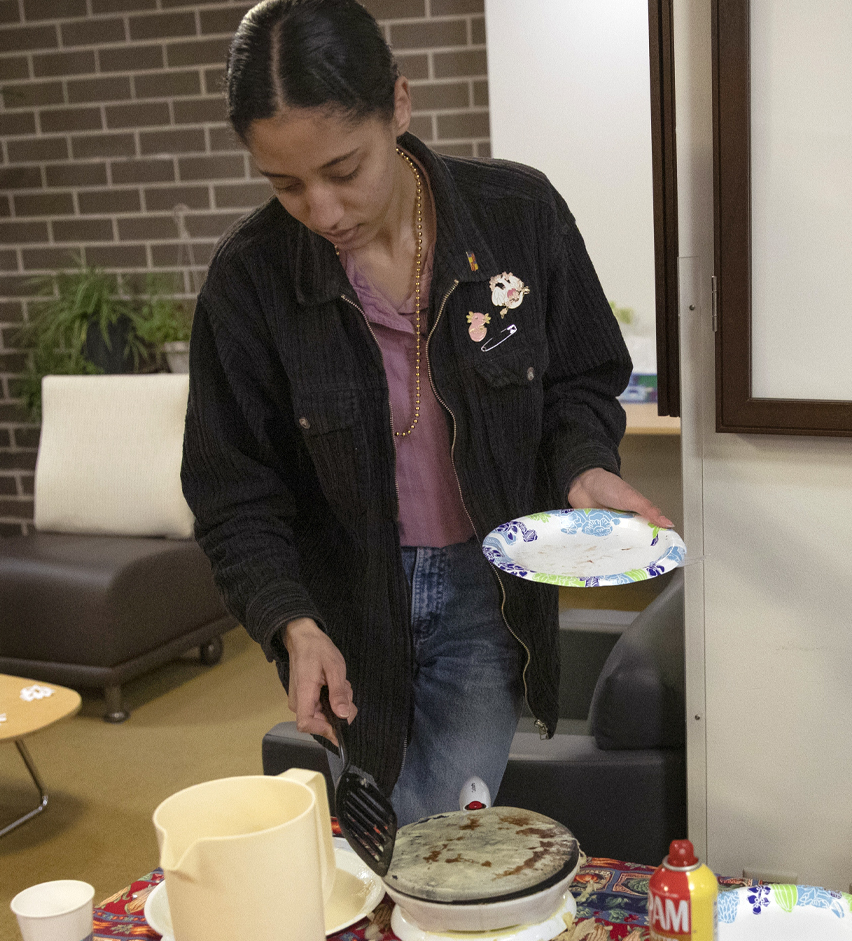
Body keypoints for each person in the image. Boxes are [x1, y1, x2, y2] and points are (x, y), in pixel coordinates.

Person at [184, 0, 667, 823]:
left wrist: (585, 462)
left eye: (343, 170)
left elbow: (582, 377)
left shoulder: (518, 215)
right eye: (285, 184)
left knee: (447, 829)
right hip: (344, 599)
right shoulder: (251, 278)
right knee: (376, 828)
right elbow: (234, 492)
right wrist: (290, 623)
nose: (323, 210)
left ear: (399, 106)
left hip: (486, 587)